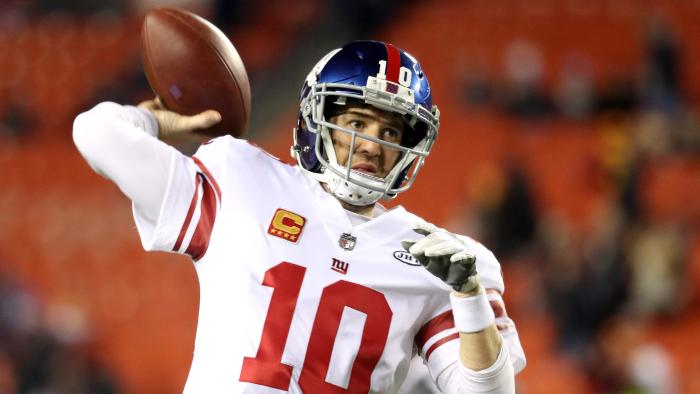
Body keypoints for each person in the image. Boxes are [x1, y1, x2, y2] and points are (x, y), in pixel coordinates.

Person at [73, 40, 525, 393]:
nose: (372, 144)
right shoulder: (242, 179)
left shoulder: (444, 260)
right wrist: (156, 120)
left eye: (390, 131)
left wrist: (469, 296)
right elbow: (96, 135)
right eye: (356, 123)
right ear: (317, 118)